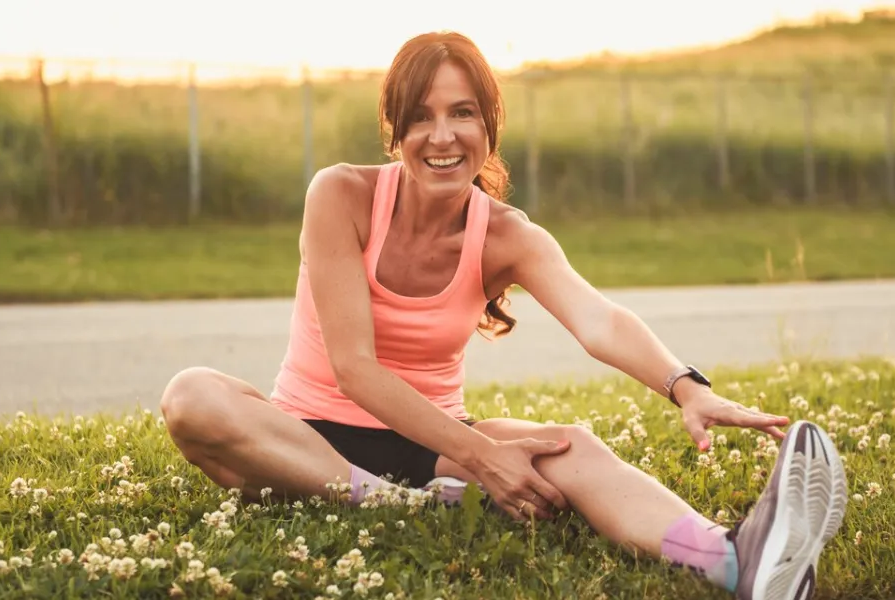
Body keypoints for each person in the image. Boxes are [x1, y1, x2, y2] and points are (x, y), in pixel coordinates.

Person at [159, 31, 848, 600]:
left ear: (489, 124)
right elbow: (354, 369)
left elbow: (598, 319)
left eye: (462, 113)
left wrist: (686, 386)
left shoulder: (507, 235)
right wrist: (481, 457)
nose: (442, 136)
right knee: (192, 396)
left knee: (571, 446)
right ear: (394, 127)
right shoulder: (339, 195)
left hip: (433, 447)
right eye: (422, 116)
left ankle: (737, 560)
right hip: (303, 440)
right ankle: (404, 506)